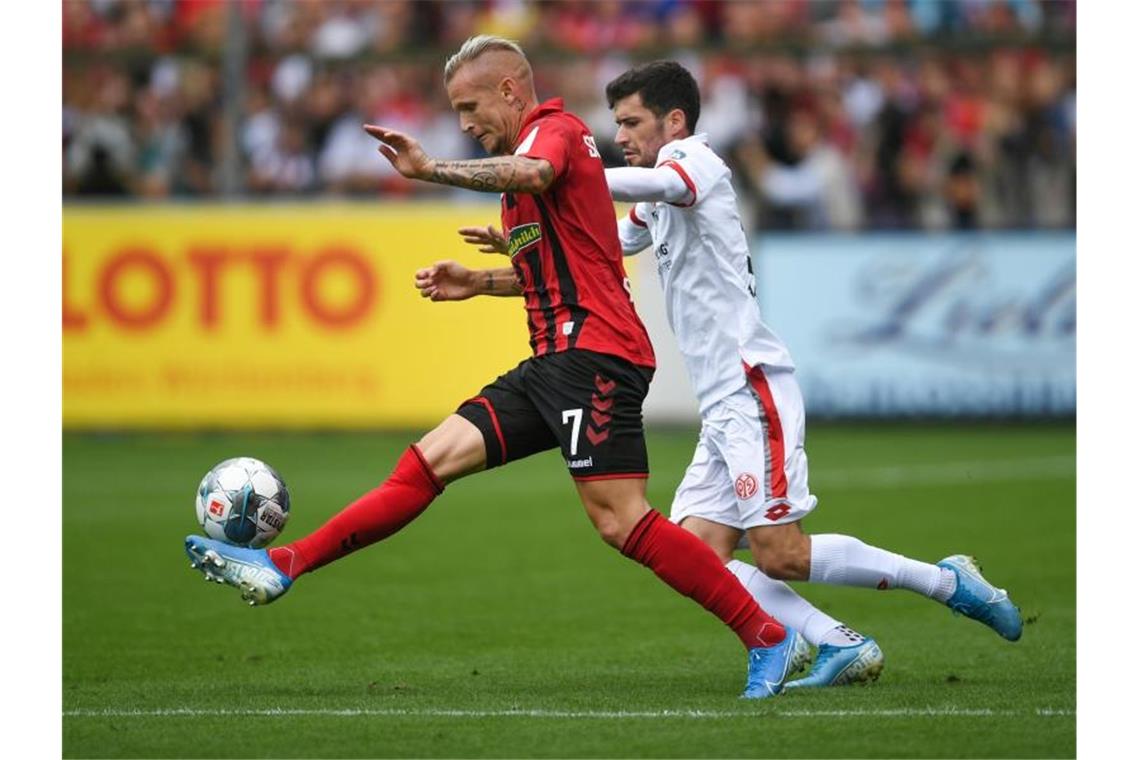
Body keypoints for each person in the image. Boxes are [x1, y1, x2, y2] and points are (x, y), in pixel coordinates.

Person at [184, 37, 802, 700]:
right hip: (555, 361)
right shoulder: (528, 172)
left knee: (620, 520)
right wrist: (481, 280)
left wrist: (428, 170)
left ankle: (767, 634)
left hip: (596, 356)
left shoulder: (555, 133)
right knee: (427, 462)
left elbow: (534, 175)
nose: (464, 123)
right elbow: (564, 266)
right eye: (455, 111)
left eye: (469, 106)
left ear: (511, 91)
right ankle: (284, 563)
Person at [452, 60, 1023, 689]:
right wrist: (509, 256)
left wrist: (571, 173)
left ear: (675, 121)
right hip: (720, 402)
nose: (620, 136)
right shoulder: (653, 197)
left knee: (781, 554)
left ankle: (946, 581)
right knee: (699, 553)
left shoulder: (697, 163)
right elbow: (593, 247)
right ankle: (838, 642)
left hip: (751, 384)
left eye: (631, 122)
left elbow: (627, 191)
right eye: (616, 124)